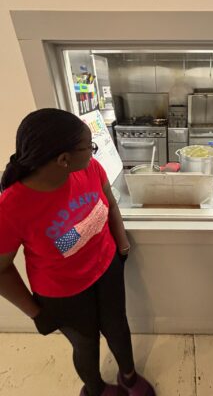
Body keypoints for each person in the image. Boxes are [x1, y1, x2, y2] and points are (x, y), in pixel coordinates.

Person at [0, 108, 156, 396]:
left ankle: (129, 377)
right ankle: (95, 389)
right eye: (89, 146)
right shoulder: (11, 206)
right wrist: (35, 312)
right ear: (64, 159)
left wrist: (121, 245)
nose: (93, 152)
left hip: (106, 268)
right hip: (62, 294)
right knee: (86, 344)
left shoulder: (90, 168)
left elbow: (109, 202)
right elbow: (1, 269)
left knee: (118, 327)